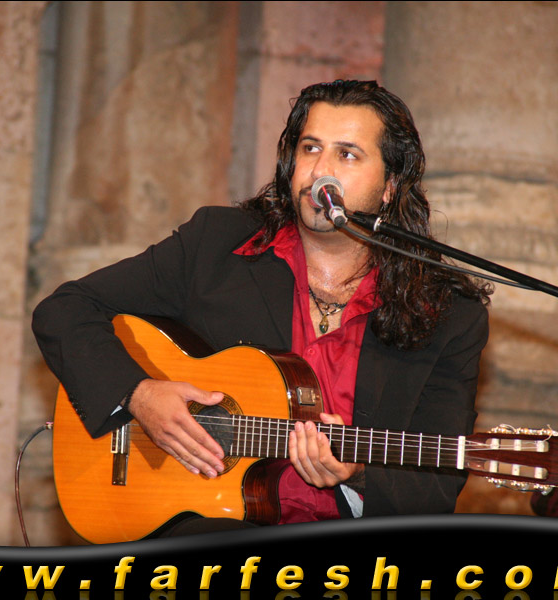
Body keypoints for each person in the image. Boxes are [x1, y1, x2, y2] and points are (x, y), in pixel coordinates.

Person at [32, 79, 492, 535]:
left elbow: (436, 486)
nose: (320, 171)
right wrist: (139, 395)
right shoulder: (217, 245)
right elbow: (66, 310)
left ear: (390, 185)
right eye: (310, 149)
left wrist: (358, 476)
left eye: (347, 155)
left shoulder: (448, 314)